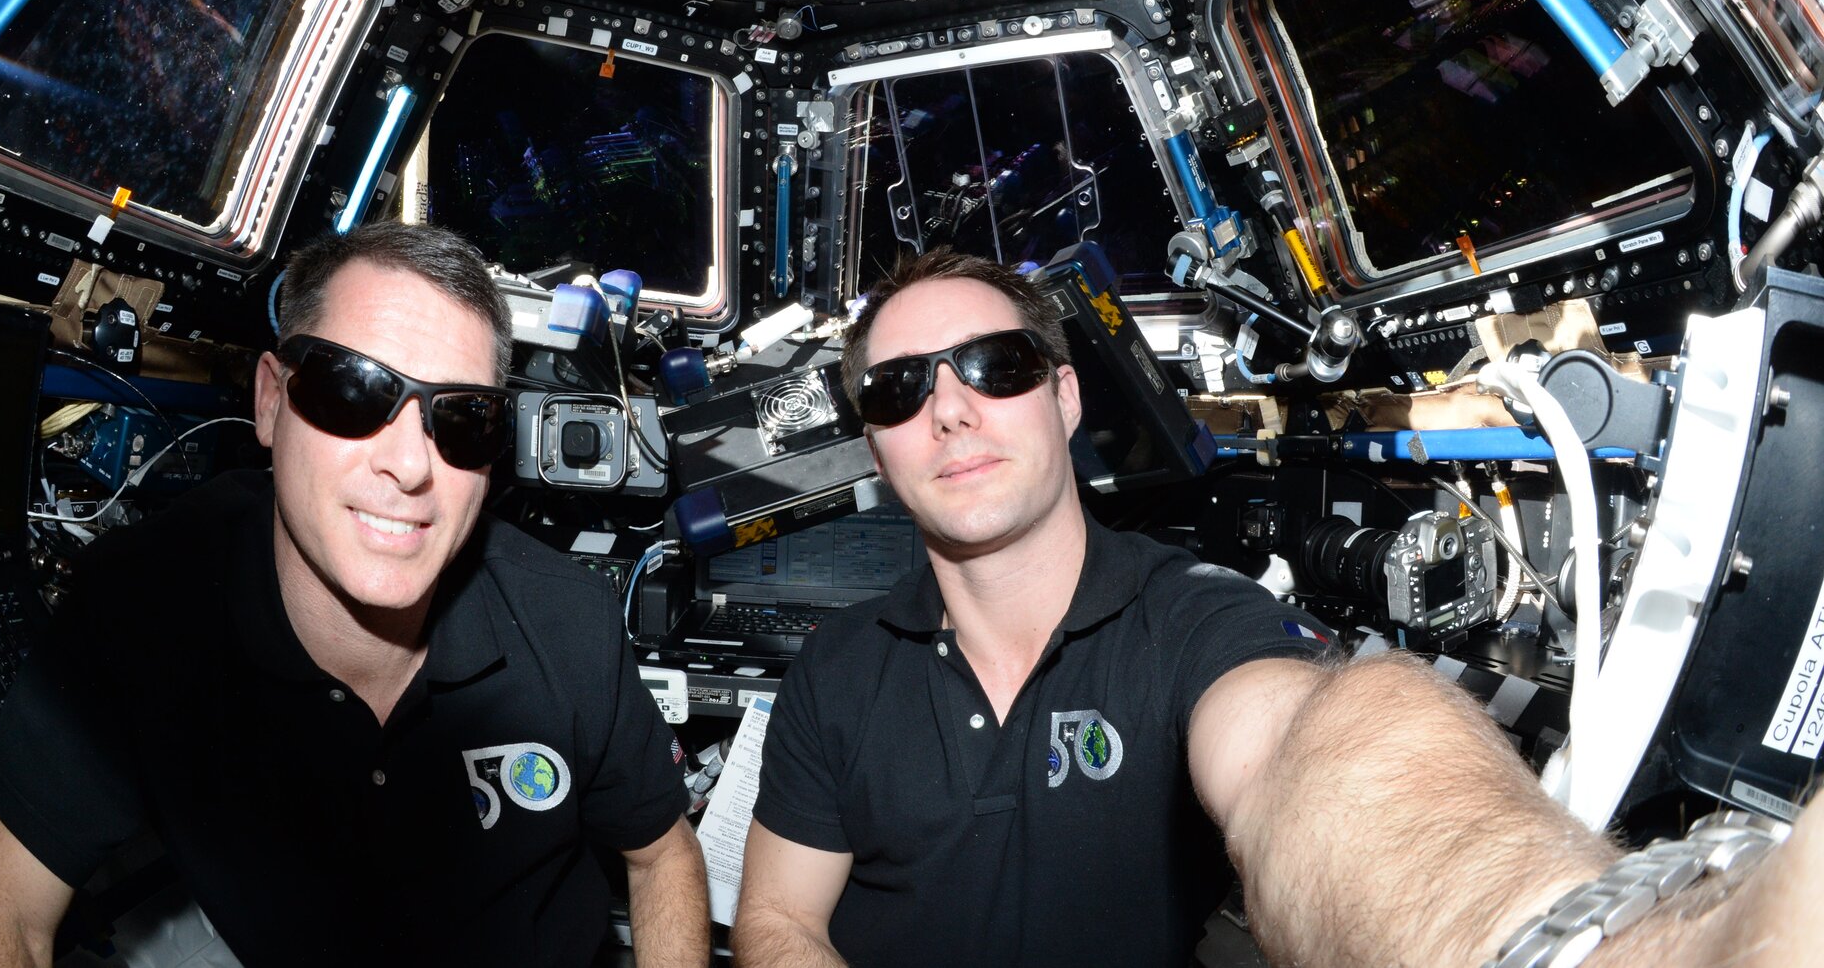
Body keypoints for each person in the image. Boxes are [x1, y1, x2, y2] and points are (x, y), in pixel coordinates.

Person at [731, 246, 1823, 968]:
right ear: (875, 444)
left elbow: (1312, 753)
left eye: (994, 364)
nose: (951, 410)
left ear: (1064, 397)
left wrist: (1573, 941)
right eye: (900, 388)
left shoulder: (1191, 622)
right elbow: (779, 916)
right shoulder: (838, 666)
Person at [0, 222, 709, 968]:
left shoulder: (568, 621)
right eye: (353, 391)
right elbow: (11, 910)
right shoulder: (137, 613)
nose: (410, 466)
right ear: (270, 401)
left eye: (461, 418)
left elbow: (662, 855)